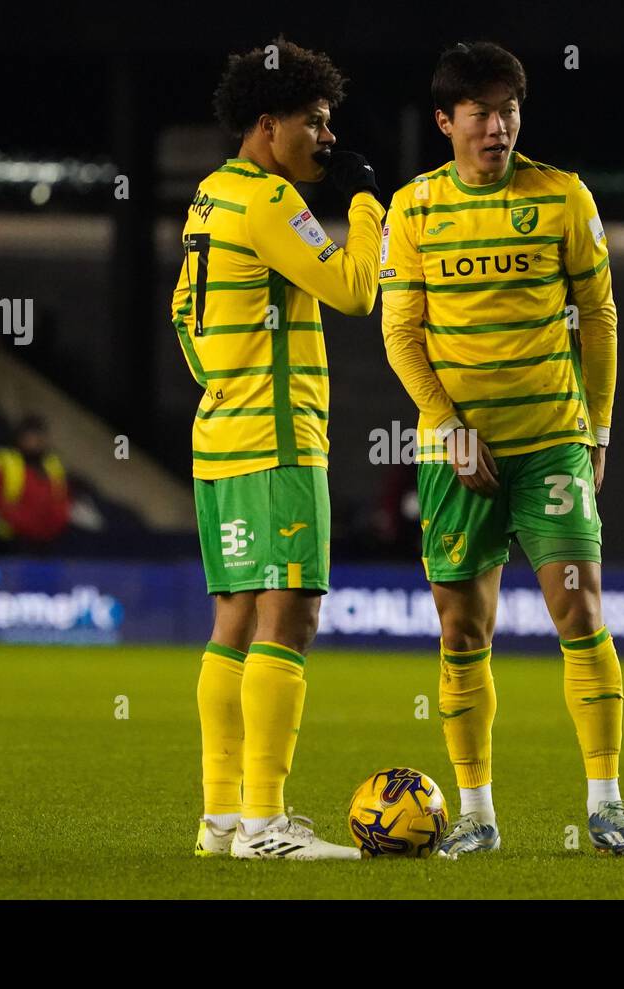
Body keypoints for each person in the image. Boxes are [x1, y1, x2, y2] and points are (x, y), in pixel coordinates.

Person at [380, 41, 624, 857]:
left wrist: (597, 428)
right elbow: (401, 333)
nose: (497, 128)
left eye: (510, 111)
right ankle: (476, 814)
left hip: (550, 443)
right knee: (462, 628)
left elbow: (599, 317)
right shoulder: (412, 209)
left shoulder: (563, 198)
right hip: (453, 451)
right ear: (446, 121)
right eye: (481, 114)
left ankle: (605, 801)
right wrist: (450, 424)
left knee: (582, 605)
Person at [175, 39, 384, 860]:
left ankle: (223, 817)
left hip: (221, 436)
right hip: (277, 439)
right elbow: (355, 289)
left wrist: (221, 381)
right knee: (290, 615)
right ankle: (266, 823)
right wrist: (369, 203)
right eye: (316, 123)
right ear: (268, 125)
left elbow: (181, 315)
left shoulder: (207, 199)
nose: (327, 140)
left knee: (233, 616)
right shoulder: (266, 200)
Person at [0, 415, 71, 548]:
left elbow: (61, 500)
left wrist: (52, 527)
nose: (34, 442)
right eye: (29, 437)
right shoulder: (6, 461)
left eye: (38, 437)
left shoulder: (53, 464)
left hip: (46, 539)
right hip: (10, 538)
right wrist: (22, 523)